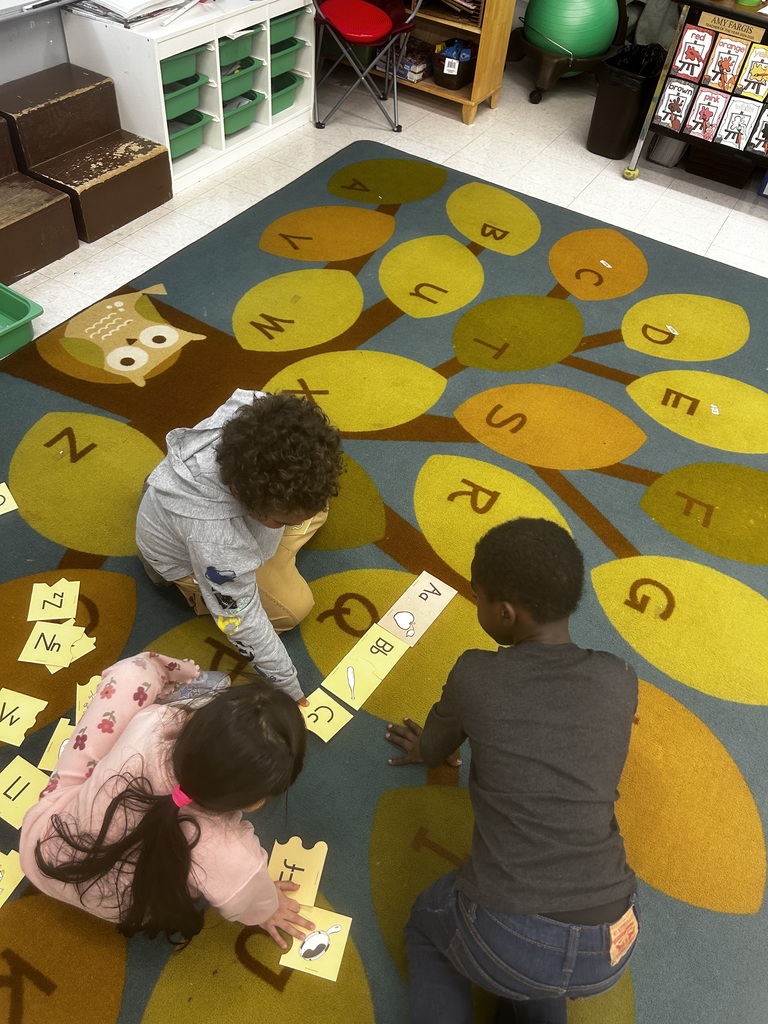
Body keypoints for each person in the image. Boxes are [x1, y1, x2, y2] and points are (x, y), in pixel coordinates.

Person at [385, 519, 639, 1024]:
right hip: (612, 940)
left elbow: (436, 747)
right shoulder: (619, 676)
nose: (476, 606)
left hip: (505, 930)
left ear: (504, 614)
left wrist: (426, 748)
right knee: (539, 967)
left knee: (426, 923)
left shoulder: (477, 673)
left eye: (477, 598)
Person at [19, 653, 314, 946]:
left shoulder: (153, 723)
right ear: (254, 802)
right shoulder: (234, 854)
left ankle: (178, 674)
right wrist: (269, 908)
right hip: (123, 907)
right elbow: (246, 896)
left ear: (194, 718)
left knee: (134, 674)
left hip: (39, 844)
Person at [136, 390, 344, 702]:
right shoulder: (218, 542)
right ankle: (224, 582)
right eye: (279, 519)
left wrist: (286, 517)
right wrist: (287, 687)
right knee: (294, 608)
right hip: (193, 561)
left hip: (225, 533)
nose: (289, 522)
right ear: (240, 493)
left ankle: (272, 549)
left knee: (318, 507)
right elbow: (242, 623)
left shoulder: (254, 409)